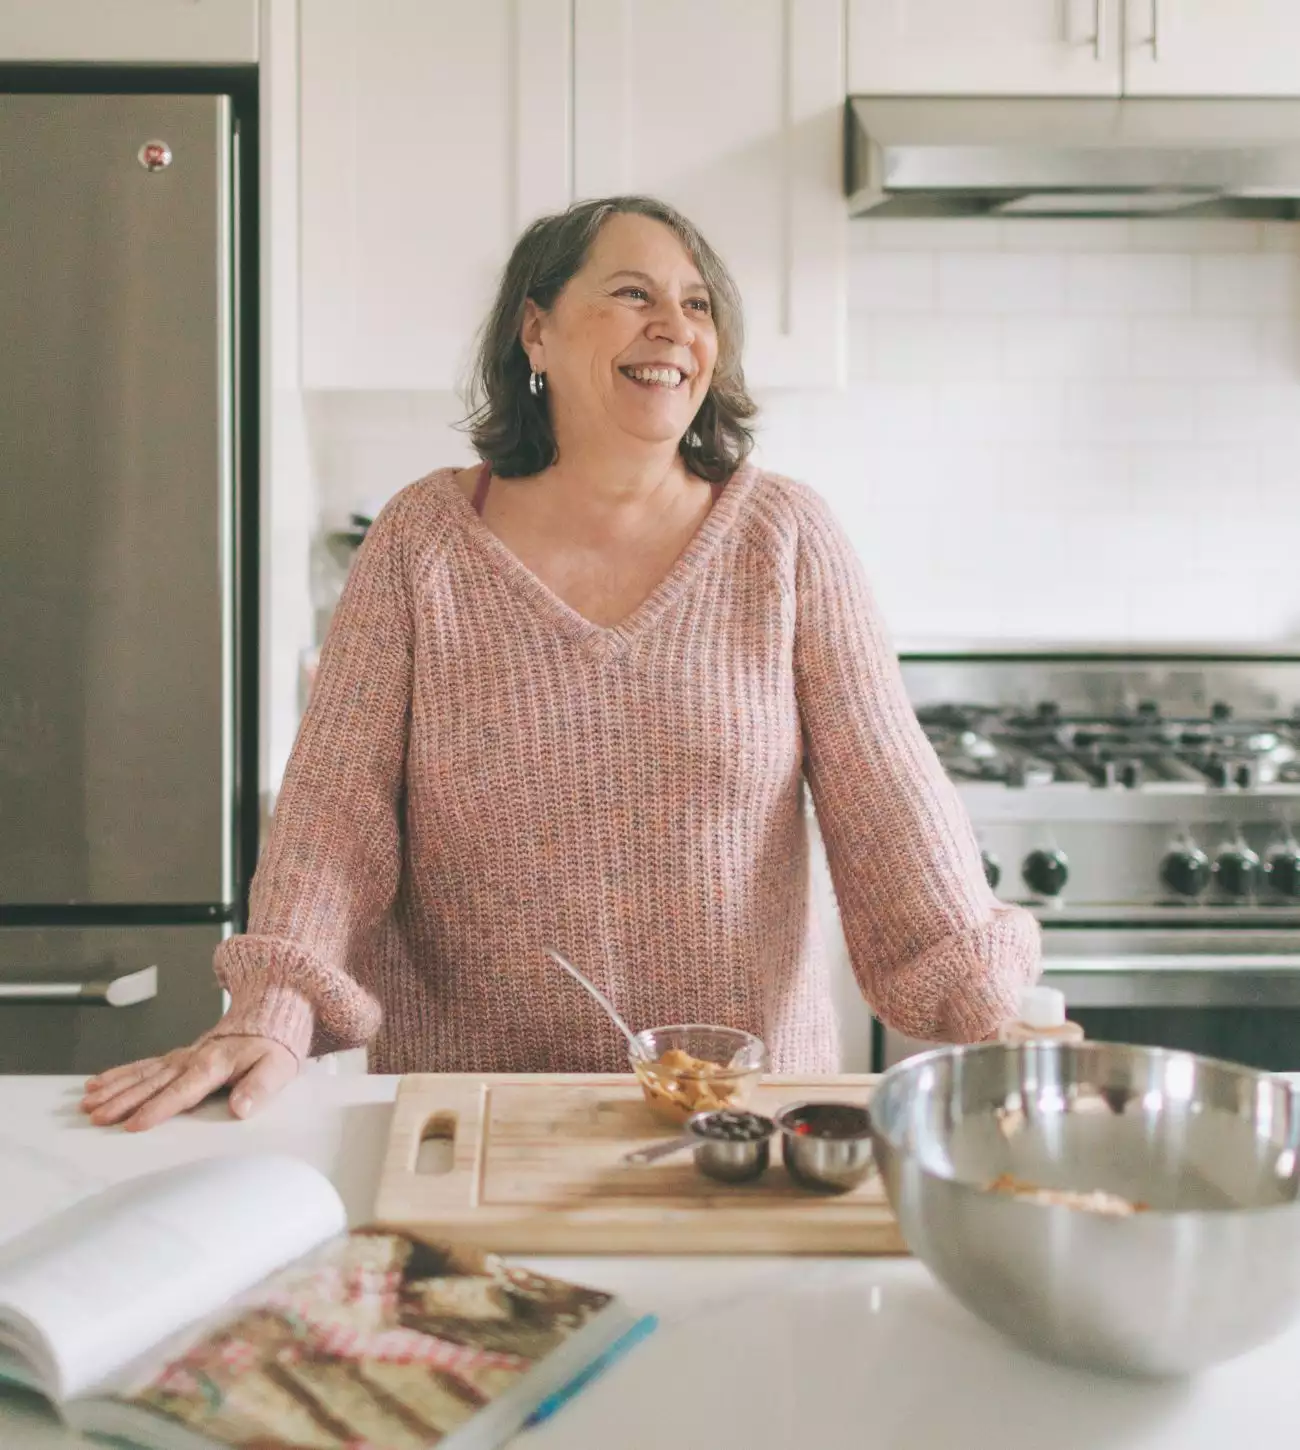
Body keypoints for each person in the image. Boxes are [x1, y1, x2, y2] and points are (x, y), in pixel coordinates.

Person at [82, 195, 1040, 1133]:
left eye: (697, 304)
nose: (673, 326)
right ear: (534, 331)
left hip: (738, 1124)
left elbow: (888, 796)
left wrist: (987, 1010)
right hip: (474, 1118)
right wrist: (273, 1007)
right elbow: (337, 809)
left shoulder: (784, 537)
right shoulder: (424, 538)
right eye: (632, 293)